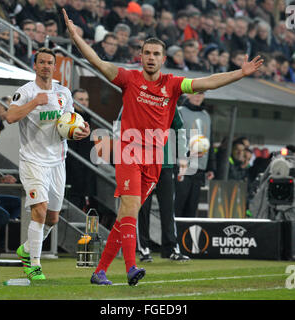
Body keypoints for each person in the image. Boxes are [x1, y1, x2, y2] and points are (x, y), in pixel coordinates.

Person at [63, 8, 263, 286]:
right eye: (147, 53)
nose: (151, 58)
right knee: (131, 208)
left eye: (156, 54)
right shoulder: (129, 79)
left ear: (163, 59)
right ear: (141, 56)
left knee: (125, 217)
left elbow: (210, 82)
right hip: (130, 151)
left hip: (156, 158)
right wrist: (75, 36)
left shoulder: (174, 84)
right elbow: (97, 62)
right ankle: (132, 267)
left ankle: (99, 271)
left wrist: (240, 73)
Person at [5, 47, 90, 280]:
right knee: (39, 212)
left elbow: (71, 121)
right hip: (33, 161)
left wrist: (81, 131)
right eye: (41, 62)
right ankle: (34, 265)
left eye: (49, 63)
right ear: (34, 66)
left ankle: (27, 248)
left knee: (52, 219)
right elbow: (10, 117)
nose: (45, 66)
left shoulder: (63, 93)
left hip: (57, 162)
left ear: (55, 66)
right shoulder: (25, 92)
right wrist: (34, 103)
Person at [137, 108, 190, 262]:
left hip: (165, 163)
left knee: (168, 207)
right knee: (142, 208)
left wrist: (182, 156)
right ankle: (143, 249)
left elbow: (179, 128)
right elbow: (120, 126)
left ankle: (171, 248)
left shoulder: (169, 100)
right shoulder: (134, 96)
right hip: (142, 164)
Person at [175, 93, 216, 218]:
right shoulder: (180, 112)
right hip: (183, 166)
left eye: (201, 93)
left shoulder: (206, 116)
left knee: (192, 208)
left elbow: (210, 140)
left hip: (200, 167)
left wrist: (210, 167)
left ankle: (185, 237)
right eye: (195, 93)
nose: (198, 96)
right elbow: (173, 137)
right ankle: (173, 236)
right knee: (178, 205)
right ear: (187, 94)